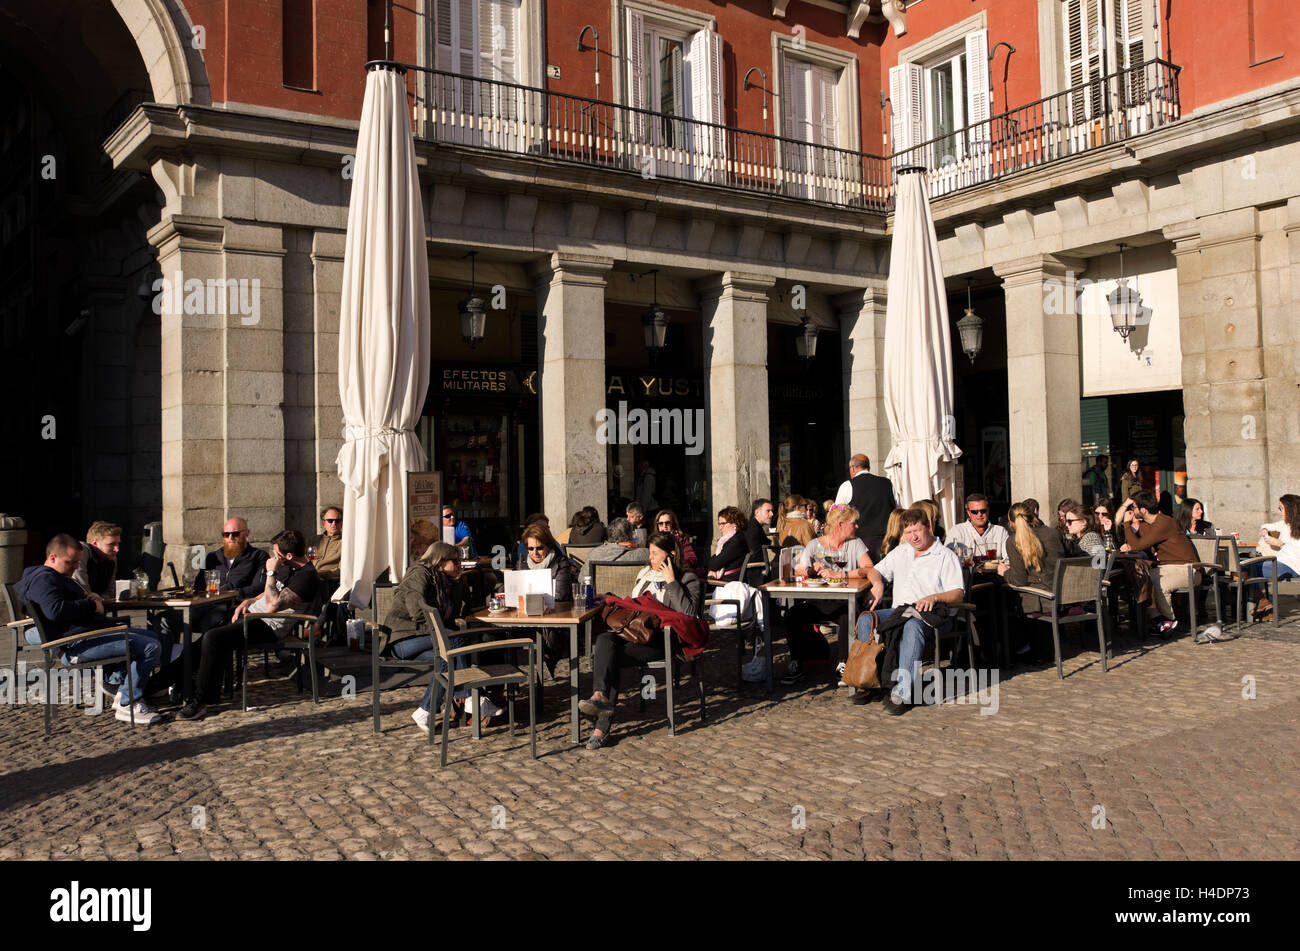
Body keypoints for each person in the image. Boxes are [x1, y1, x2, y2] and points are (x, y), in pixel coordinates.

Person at [15, 535, 163, 725]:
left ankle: (121, 690)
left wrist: (87, 597)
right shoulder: (44, 579)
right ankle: (128, 704)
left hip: (82, 635)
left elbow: (62, 603)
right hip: (76, 644)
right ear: (52, 558)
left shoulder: (54, 577)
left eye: (77, 562)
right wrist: (91, 606)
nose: (76, 567)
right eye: (70, 562)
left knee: (150, 636)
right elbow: (55, 610)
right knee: (149, 646)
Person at [580, 531, 703, 750]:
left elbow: (689, 614)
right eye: (651, 553)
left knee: (611, 658)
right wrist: (610, 598)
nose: (651, 559)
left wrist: (672, 582)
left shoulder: (687, 579)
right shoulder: (645, 575)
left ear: (671, 555)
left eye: (656, 554)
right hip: (636, 635)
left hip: (662, 641)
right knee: (605, 640)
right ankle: (599, 694)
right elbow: (635, 606)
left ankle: (601, 727)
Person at [179, 529, 320, 719]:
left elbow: (272, 605)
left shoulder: (307, 576)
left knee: (213, 638)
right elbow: (267, 593)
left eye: (275, 553)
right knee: (205, 638)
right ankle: (161, 686)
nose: (272, 557)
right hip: (252, 615)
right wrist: (250, 601)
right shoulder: (287, 566)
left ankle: (200, 700)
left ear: (288, 555)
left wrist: (271, 571)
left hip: (268, 626)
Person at [381, 541, 501, 733]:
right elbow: (417, 612)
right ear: (440, 561)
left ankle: (425, 711)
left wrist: (457, 584)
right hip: (403, 639)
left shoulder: (445, 581)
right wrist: (443, 630)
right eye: (455, 561)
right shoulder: (419, 574)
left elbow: (455, 614)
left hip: (428, 638)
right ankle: (470, 697)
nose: (460, 565)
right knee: (454, 640)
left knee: (449, 657)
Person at [856, 508, 965, 715]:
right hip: (899, 611)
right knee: (866, 619)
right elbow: (874, 570)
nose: (913, 537)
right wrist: (877, 584)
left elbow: (958, 594)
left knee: (912, 626)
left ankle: (904, 693)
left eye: (917, 531)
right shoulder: (901, 551)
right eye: (908, 532)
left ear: (928, 528)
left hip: (930, 616)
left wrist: (935, 596)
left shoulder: (944, 556)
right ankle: (868, 682)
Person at [781, 505, 875, 685]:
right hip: (818, 602)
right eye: (853, 523)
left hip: (844, 603)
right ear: (840, 524)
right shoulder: (814, 545)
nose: (857, 527)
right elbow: (799, 570)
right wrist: (810, 570)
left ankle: (843, 663)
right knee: (792, 616)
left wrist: (842, 575)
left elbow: (869, 569)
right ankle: (797, 662)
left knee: (849, 615)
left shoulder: (855, 544)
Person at [1118, 490, 1200, 636]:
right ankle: (1158, 620)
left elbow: (1137, 546)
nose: (1132, 510)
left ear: (1143, 510)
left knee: (1159, 585)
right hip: (1167, 567)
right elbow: (1137, 542)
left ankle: (1169, 619)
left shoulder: (1164, 522)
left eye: (1134, 507)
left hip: (1188, 569)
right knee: (1143, 578)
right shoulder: (1147, 524)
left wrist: (1126, 524)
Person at [1000, 501, 1069, 658]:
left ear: (1011, 523)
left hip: (1040, 597)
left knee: (1003, 597)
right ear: (1033, 516)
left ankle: (1018, 646)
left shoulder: (1013, 541)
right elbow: (1074, 552)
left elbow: (1018, 581)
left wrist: (1004, 572)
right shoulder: (1053, 533)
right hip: (1063, 592)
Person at [833, 453, 896, 560]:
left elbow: (837, 516)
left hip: (859, 544)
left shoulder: (847, 485)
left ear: (852, 469)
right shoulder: (888, 484)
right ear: (868, 467)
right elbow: (897, 511)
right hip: (887, 542)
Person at [1251, 494, 1300, 621]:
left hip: (1293, 566)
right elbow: (1266, 525)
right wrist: (1265, 530)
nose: (1278, 512)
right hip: (1280, 561)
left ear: (1290, 509)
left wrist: (1280, 544)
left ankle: (1262, 604)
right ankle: (1263, 605)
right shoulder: (1285, 524)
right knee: (1244, 566)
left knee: (1248, 569)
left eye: (1280, 508)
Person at [580, 517, 651, 587]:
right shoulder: (645, 554)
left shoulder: (595, 553)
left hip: (600, 597)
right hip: (633, 597)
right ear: (631, 535)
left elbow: (582, 579)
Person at [946, 493, 1008, 561]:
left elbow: (1008, 559)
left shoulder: (1000, 531)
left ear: (988, 510)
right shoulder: (957, 531)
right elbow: (948, 558)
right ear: (968, 512)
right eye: (974, 512)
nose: (979, 514)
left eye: (983, 511)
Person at [73, 521, 122, 598]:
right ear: (95, 543)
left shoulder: (111, 558)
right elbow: (81, 587)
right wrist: (94, 600)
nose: (117, 549)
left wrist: (100, 599)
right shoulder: (82, 550)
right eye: (111, 544)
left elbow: (111, 591)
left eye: (118, 544)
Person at [707, 506, 750, 582]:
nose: (720, 528)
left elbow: (714, 564)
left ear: (735, 523)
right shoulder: (736, 538)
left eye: (723, 523)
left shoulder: (736, 541)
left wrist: (711, 565)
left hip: (728, 583)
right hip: (728, 580)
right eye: (719, 524)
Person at [653, 509, 699, 574]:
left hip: (679, 572)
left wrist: (678, 562)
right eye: (660, 523)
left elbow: (693, 559)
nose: (664, 526)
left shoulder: (681, 538)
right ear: (657, 526)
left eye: (667, 523)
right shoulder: (654, 541)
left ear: (673, 524)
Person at [743, 498, 776, 586]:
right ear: (757, 512)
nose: (772, 514)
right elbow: (754, 554)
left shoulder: (755, 526)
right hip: (754, 575)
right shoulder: (753, 529)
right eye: (768, 511)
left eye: (772, 511)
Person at [312, 506, 344, 585]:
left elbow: (344, 569)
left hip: (330, 583)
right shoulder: (313, 541)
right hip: (309, 579)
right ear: (323, 523)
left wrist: (326, 573)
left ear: (342, 523)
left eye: (337, 521)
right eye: (330, 521)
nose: (334, 524)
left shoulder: (345, 543)